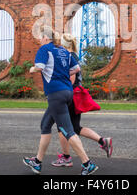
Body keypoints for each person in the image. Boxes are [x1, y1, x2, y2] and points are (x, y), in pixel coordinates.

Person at [23, 25, 98, 175]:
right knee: (45, 124)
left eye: (40, 38)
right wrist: (63, 73)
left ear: (45, 37)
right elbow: (76, 68)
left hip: (55, 93)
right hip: (68, 92)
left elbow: (39, 67)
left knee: (67, 131)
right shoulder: (64, 50)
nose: (39, 41)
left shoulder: (45, 49)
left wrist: (32, 69)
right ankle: (37, 162)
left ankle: (87, 164)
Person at [50, 33, 112, 168]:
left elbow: (70, 80)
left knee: (63, 128)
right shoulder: (74, 56)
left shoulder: (68, 57)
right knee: (74, 128)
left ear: (63, 44)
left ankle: (67, 158)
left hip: (70, 95)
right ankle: (103, 141)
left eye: (60, 43)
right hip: (74, 95)